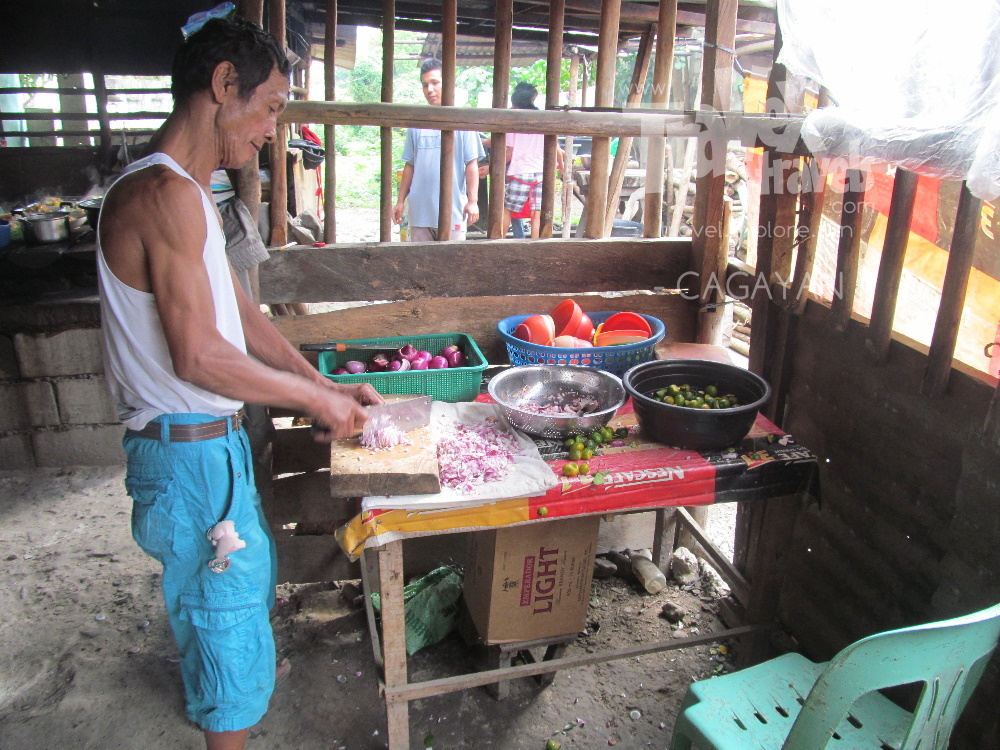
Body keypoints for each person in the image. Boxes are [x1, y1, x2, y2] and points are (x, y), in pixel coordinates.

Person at [95, 16, 382, 750]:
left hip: (207, 452)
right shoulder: (161, 193)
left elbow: (241, 316)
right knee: (224, 625)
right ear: (225, 84)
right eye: (272, 106)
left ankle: (232, 696)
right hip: (189, 457)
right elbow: (197, 355)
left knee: (231, 607)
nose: (272, 129)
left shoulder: (187, 191)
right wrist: (314, 400)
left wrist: (322, 381)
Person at [391, 58, 485, 241]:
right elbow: (410, 165)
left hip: (453, 210)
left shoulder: (464, 121)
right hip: (420, 212)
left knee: (452, 258)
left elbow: (471, 164)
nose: (429, 89)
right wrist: (400, 201)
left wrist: (473, 201)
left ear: (448, 83)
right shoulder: (417, 123)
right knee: (420, 259)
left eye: (435, 82)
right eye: (425, 85)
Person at [502, 81, 563, 239]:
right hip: (540, 174)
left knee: (507, 210)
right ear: (533, 98)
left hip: (520, 172)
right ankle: (535, 247)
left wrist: (491, 167)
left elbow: (509, 153)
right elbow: (555, 147)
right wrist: (562, 167)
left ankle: (497, 242)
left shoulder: (513, 121)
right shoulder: (543, 119)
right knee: (536, 214)